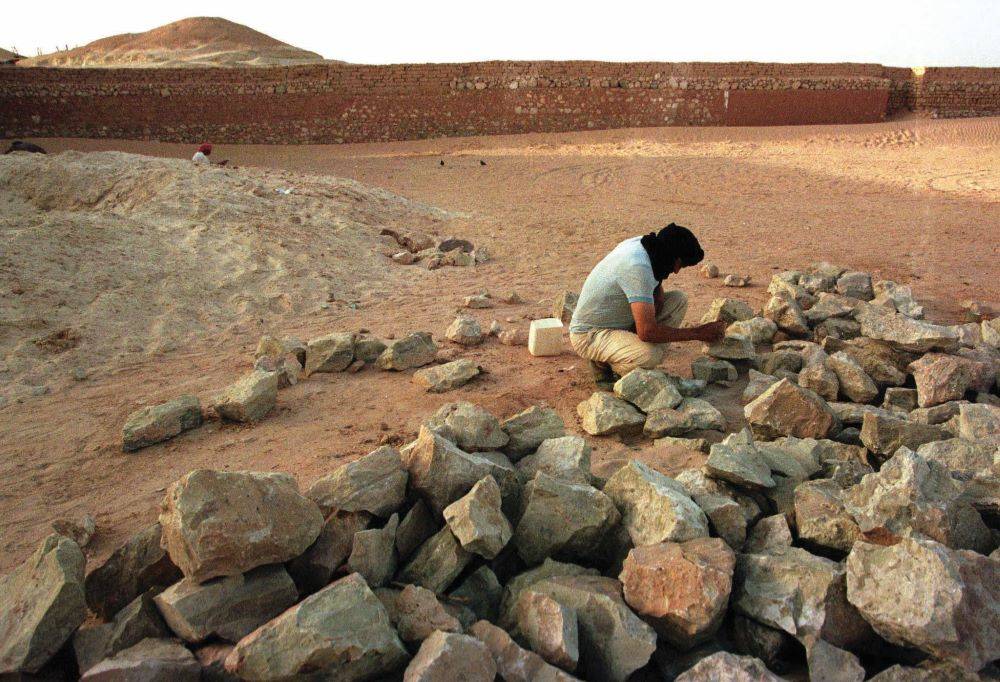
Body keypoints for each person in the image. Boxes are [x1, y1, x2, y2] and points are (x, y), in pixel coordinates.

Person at [569, 222, 726, 386]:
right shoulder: (637, 268)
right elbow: (646, 332)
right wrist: (698, 333)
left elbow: (656, 282)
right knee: (650, 355)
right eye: (680, 264)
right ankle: (606, 363)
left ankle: (625, 349)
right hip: (589, 335)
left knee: (678, 301)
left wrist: (658, 294)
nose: (677, 271)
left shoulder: (646, 245)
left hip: (616, 321)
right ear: (673, 257)